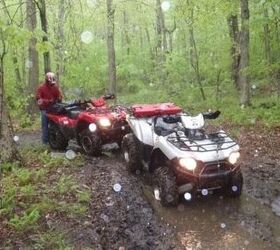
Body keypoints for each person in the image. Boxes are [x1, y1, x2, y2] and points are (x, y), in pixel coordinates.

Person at [36, 72, 62, 144]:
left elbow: (59, 96)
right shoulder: (41, 88)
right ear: (47, 80)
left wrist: (59, 99)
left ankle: (54, 140)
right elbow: (39, 99)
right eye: (51, 81)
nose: (52, 83)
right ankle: (45, 141)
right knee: (45, 126)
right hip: (45, 109)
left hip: (54, 109)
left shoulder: (55, 87)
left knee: (56, 125)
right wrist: (48, 101)